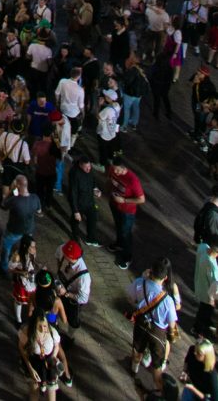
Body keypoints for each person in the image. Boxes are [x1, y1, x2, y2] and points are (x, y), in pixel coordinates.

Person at [129, 259, 179, 391]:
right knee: (157, 363)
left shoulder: (140, 283)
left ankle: (134, 370)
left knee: (137, 350)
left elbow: (132, 298)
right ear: (165, 277)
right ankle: (158, 387)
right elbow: (172, 324)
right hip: (158, 332)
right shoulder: (168, 300)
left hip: (141, 324)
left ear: (150, 271)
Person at [108, 160, 146, 270]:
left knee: (126, 233)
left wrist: (124, 200)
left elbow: (141, 199)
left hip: (127, 211)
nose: (115, 172)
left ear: (124, 168)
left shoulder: (133, 181)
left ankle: (127, 257)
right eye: (114, 169)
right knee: (118, 227)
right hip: (115, 205)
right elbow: (110, 179)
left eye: (117, 170)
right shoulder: (113, 170)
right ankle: (119, 244)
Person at [0, 175, 41, 273]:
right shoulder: (35, 198)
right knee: (25, 249)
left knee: (6, 247)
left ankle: (4, 267)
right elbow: (39, 212)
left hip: (14, 230)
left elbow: (3, 204)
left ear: (17, 185)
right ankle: (25, 266)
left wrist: (11, 190)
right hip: (29, 230)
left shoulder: (15, 200)